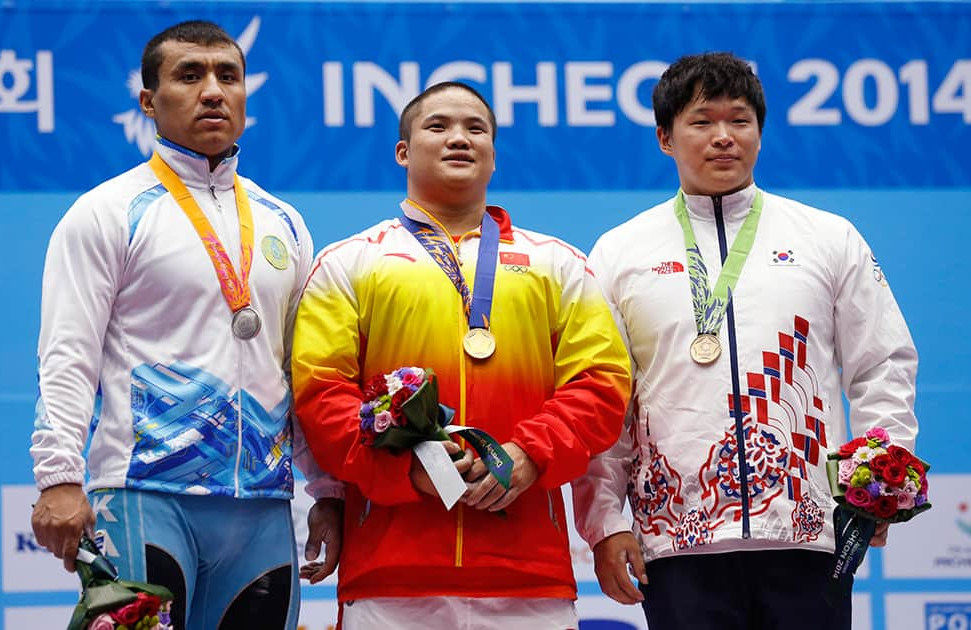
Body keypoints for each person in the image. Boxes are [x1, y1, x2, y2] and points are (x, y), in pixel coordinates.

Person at [572, 52, 919, 630]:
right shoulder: (619, 252)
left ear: (760, 133)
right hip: (677, 540)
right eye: (702, 121)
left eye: (740, 121)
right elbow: (605, 396)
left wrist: (880, 479)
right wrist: (606, 522)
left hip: (809, 532)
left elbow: (883, 362)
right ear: (666, 137)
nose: (723, 138)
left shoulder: (828, 237)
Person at [29, 20, 342, 630]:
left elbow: (301, 370)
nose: (213, 91)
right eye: (189, 75)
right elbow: (68, 355)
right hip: (145, 496)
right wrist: (59, 477)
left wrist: (327, 491)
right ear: (149, 101)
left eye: (228, 76)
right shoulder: (106, 212)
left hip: (264, 509)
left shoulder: (285, 223)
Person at [291, 81, 631, 629]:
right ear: (403, 151)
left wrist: (529, 454)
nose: (459, 139)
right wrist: (410, 471)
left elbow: (602, 384)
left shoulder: (558, 264)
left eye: (476, 129)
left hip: (529, 575)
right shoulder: (348, 263)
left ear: (494, 154)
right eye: (438, 126)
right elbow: (319, 395)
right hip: (390, 574)